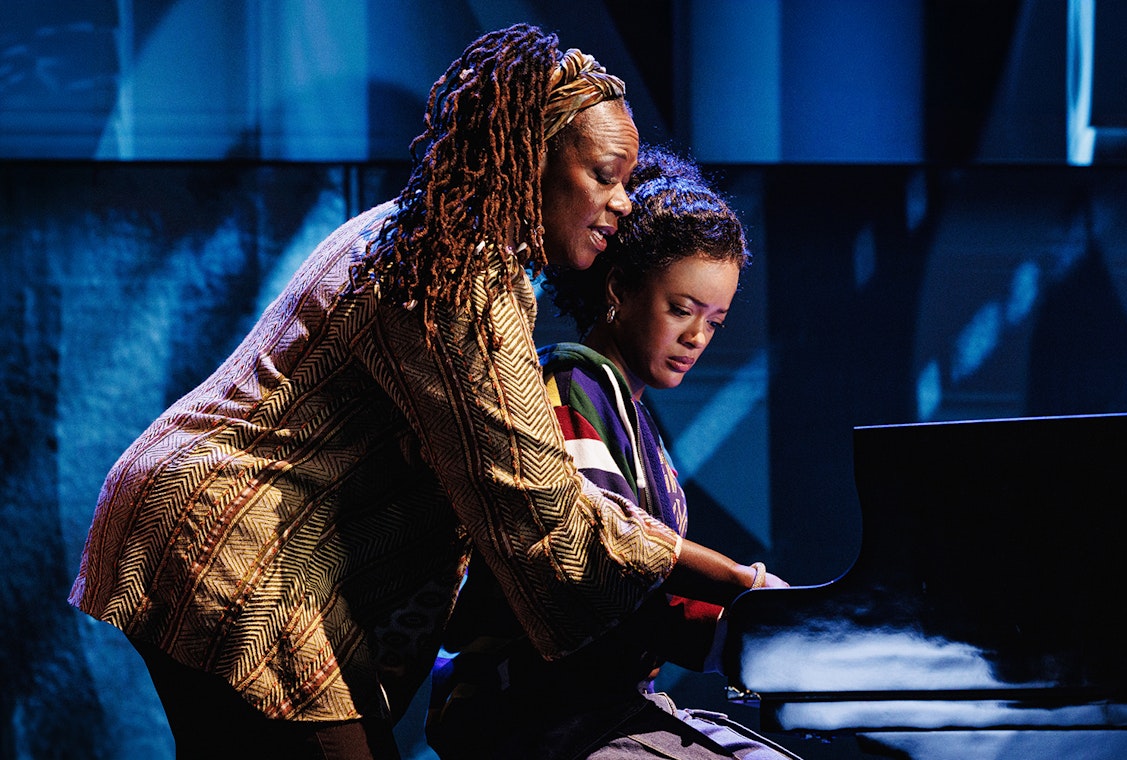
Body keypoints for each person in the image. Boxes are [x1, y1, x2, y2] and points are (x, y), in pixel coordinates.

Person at [67, 24, 774, 760]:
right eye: (604, 174)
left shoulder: (428, 238)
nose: (622, 202)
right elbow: (537, 503)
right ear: (531, 157)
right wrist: (741, 580)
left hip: (199, 524)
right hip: (234, 541)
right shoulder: (458, 275)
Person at [426, 146, 800, 759]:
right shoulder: (571, 386)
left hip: (598, 706)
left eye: (715, 321)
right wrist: (752, 608)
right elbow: (606, 570)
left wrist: (768, 636)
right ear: (621, 288)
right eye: (681, 310)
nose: (697, 337)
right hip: (535, 709)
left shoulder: (625, 410)